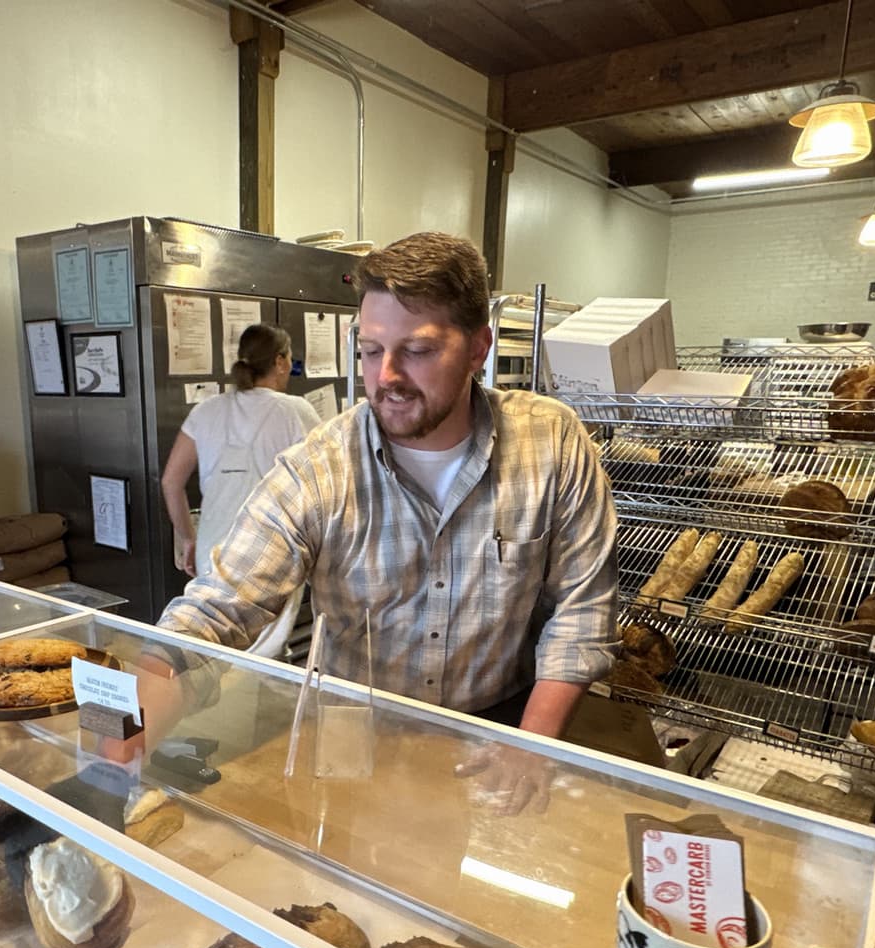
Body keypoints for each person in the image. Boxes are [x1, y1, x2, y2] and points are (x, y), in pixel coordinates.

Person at [152, 231, 618, 812]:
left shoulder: (551, 443)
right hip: (356, 739)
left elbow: (582, 612)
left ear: (479, 348)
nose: (387, 375)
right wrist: (131, 696)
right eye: (370, 351)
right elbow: (222, 604)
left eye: (417, 350)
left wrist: (532, 745)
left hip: (501, 731)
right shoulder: (320, 469)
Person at [159, 323, 320, 658]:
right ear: (279, 362)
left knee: (214, 653)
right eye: (289, 359)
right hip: (271, 552)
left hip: (213, 547)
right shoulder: (295, 411)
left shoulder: (206, 410)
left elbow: (171, 482)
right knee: (262, 660)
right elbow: (322, 486)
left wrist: (188, 537)